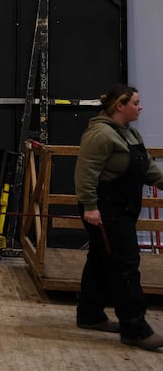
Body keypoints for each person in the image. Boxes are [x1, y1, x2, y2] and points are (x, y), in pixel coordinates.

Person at [74, 83, 163, 351]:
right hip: (104, 211)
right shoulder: (100, 135)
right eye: (136, 102)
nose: (140, 107)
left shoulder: (130, 133)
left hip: (122, 209)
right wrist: (90, 207)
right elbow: (85, 174)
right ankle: (135, 329)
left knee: (101, 260)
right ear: (119, 106)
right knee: (126, 265)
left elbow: (148, 169)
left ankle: (90, 315)